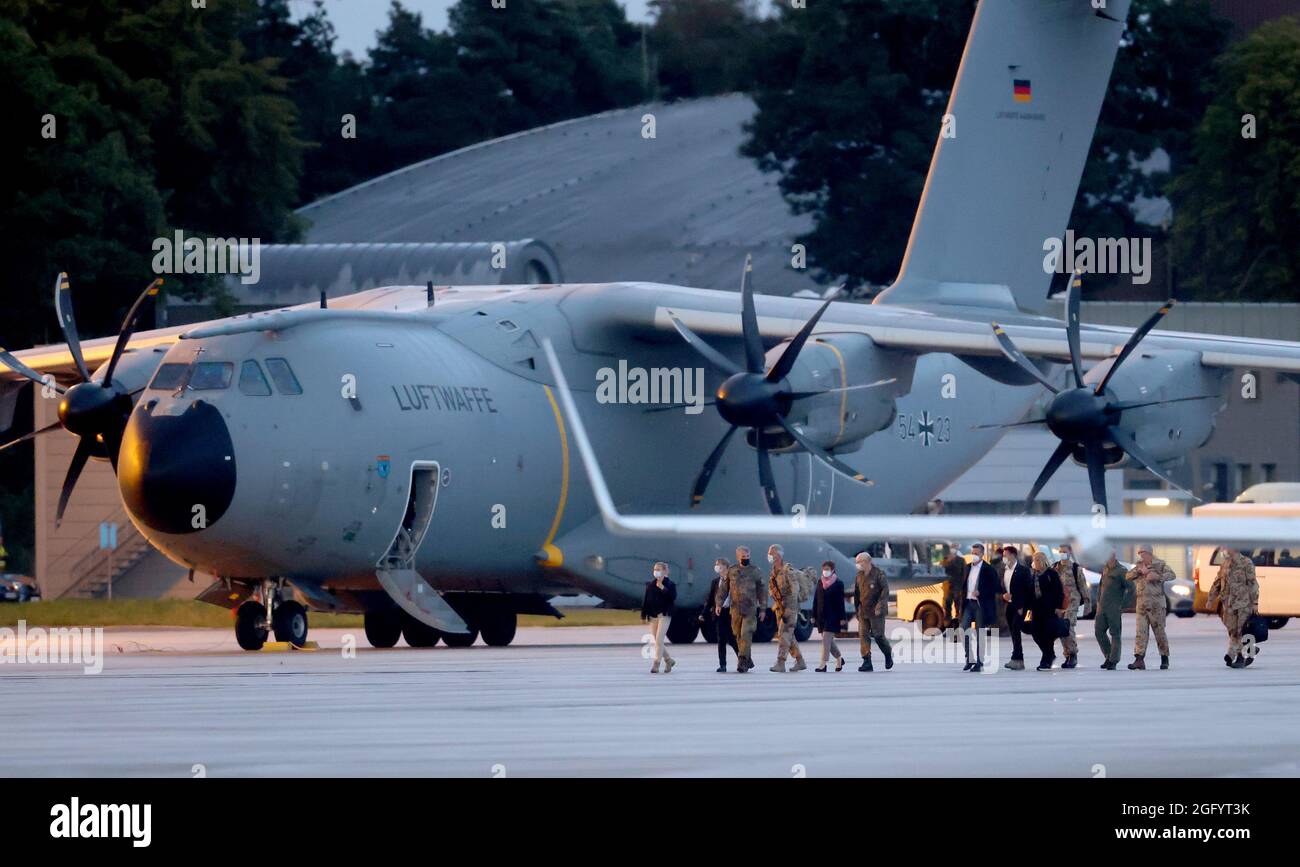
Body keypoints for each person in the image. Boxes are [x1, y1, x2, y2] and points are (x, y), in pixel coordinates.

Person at [1207, 547, 1260, 669]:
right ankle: (1251, 649)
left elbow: (1253, 584)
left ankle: (1239, 657)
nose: (1224, 549)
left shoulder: (1246, 563)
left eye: (1226, 546)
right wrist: (1211, 599)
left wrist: (1255, 603)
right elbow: (1218, 582)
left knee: (1239, 630)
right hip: (1228, 604)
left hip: (1243, 603)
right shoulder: (1225, 563)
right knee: (1232, 630)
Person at [1126, 544, 1174, 670]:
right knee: (1140, 632)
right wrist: (1139, 571)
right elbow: (1128, 576)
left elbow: (1172, 575)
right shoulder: (1139, 566)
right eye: (1140, 554)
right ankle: (1139, 659)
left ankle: (1164, 658)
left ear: (1149, 553)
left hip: (1156, 605)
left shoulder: (1160, 564)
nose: (1141, 556)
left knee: (1159, 632)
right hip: (1141, 605)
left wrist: (1157, 577)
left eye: (1143, 553)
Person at [722, 545, 767, 673]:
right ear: (737, 557)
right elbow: (724, 589)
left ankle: (742, 661)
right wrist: (719, 604)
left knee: (746, 634)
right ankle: (748, 660)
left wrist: (763, 609)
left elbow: (762, 591)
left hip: (750, 609)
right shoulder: (732, 571)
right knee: (738, 635)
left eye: (747, 557)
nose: (745, 559)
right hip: (735, 609)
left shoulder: (755, 571)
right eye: (743, 557)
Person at [959, 542, 1000, 672]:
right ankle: (969, 658)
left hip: (980, 605)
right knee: (963, 629)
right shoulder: (967, 568)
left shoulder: (989, 569)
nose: (974, 556)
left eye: (977, 554)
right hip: (968, 603)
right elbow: (963, 586)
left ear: (982, 554)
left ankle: (979, 661)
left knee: (979, 633)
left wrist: (981, 592)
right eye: (973, 553)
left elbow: (996, 587)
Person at [767, 544, 807, 672]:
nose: (769, 556)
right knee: (788, 635)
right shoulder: (774, 571)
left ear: (778, 555)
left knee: (784, 634)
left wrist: (790, 609)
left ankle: (781, 662)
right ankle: (800, 661)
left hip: (790, 607)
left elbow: (795, 590)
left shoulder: (787, 570)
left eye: (771, 553)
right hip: (780, 607)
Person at [853, 552, 893, 671]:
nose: (858, 565)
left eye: (859, 562)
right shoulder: (859, 576)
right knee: (863, 635)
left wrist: (880, 606)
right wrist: (857, 609)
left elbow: (885, 591)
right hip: (863, 611)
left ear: (867, 561)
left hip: (876, 611)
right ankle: (867, 661)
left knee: (878, 635)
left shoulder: (879, 574)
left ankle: (887, 654)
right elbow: (857, 593)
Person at [1026, 551, 1065, 671]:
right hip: (1037, 609)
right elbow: (1031, 592)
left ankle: (1046, 659)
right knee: (1036, 633)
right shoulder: (1034, 574)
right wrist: (1029, 608)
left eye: (1037, 560)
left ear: (1042, 561)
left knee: (1047, 634)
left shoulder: (1051, 574)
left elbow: (1059, 591)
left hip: (1049, 609)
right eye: (1034, 560)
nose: (1035, 562)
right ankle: (1049, 654)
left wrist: (1058, 607)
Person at [1052, 544, 1090, 669]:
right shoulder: (1055, 567)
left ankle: (1073, 654)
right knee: (1061, 629)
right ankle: (1067, 654)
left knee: (1068, 627)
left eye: (1065, 551)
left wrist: (1087, 603)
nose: (1062, 553)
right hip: (1059, 602)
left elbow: (1083, 586)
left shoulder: (1075, 568)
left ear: (1070, 553)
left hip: (1072, 601)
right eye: (1060, 551)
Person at [999, 545, 1034, 670]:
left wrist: (1022, 606)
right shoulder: (1005, 570)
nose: (1003, 557)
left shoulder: (1023, 570)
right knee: (1014, 632)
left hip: (1020, 606)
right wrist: (1004, 595)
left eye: (1005, 555)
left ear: (1013, 555)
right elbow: (1003, 588)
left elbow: (1028, 590)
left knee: (1016, 629)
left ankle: (1018, 658)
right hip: (1009, 606)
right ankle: (1017, 659)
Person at [702, 557, 739, 672]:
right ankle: (722, 665)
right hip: (719, 613)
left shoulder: (733, 581)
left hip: (730, 613)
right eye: (716, 564)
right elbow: (710, 599)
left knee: (732, 639)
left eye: (720, 565)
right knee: (721, 640)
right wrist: (703, 613)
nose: (717, 567)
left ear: (727, 568)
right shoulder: (715, 582)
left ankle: (743, 660)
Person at [1093, 553, 1129, 670]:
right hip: (1102, 607)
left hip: (1114, 607)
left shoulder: (1121, 570)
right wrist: (1098, 602)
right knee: (1099, 632)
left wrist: (1123, 605)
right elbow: (1101, 586)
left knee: (1115, 634)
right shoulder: (1105, 568)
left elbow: (1131, 589)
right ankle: (1108, 655)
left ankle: (1113, 660)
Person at [640, 562, 677, 674]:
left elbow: (672, 597)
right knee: (657, 641)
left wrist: (663, 588)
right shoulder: (650, 585)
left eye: (659, 569)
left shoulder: (670, 584)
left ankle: (656, 664)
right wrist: (644, 614)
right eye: (655, 569)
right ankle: (669, 660)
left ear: (665, 571)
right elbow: (646, 601)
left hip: (664, 615)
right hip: (653, 616)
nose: (656, 571)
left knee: (659, 640)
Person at [812, 560, 847, 672]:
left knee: (826, 640)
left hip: (833, 616)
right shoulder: (820, 582)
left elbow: (840, 602)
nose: (825, 571)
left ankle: (823, 664)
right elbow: (816, 599)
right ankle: (839, 659)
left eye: (828, 569)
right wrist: (813, 615)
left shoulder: (838, 584)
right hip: (821, 616)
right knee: (829, 642)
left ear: (833, 570)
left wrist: (842, 618)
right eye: (824, 569)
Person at [941, 544, 966, 630]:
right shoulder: (945, 560)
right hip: (947, 588)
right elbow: (942, 571)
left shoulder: (961, 560)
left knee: (958, 609)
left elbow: (964, 575)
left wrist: (962, 588)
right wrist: (948, 561)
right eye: (952, 548)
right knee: (946, 608)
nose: (953, 550)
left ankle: (958, 628)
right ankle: (947, 626)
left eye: (954, 548)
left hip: (957, 588)